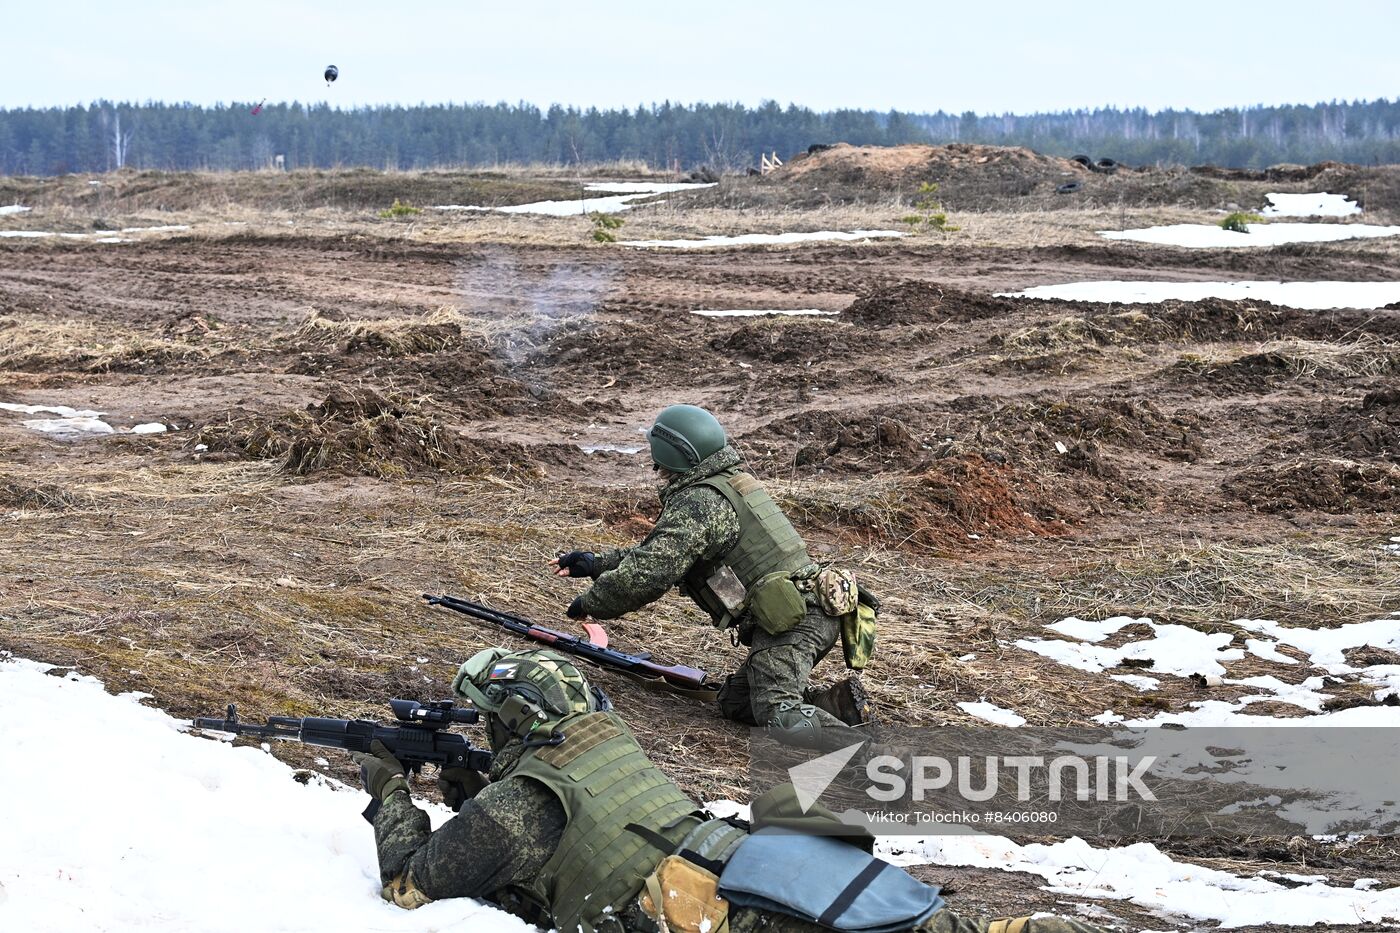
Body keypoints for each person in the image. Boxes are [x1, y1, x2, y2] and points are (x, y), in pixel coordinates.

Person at [350, 647, 1106, 933]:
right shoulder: (612, 744)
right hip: (751, 860)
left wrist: (388, 790)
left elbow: (409, 886)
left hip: (709, 908)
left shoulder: (516, 806)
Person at [551, 404, 871, 750]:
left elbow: (650, 573)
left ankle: (871, 756)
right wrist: (594, 563)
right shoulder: (726, 484)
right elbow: (655, 556)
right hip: (807, 609)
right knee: (735, 703)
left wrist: (593, 602)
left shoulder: (701, 502)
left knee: (777, 714)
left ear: (670, 454)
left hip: (797, 619)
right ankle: (836, 706)